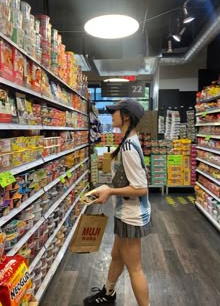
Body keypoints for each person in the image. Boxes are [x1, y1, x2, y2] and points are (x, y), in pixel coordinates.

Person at [83, 99, 151, 306]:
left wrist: (110, 190)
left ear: (127, 116)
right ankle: (108, 293)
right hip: (125, 212)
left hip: (131, 215)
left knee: (135, 267)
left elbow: (141, 188)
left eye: (115, 112)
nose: (111, 115)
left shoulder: (129, 147)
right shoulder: (127, 142)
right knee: (116, 255)